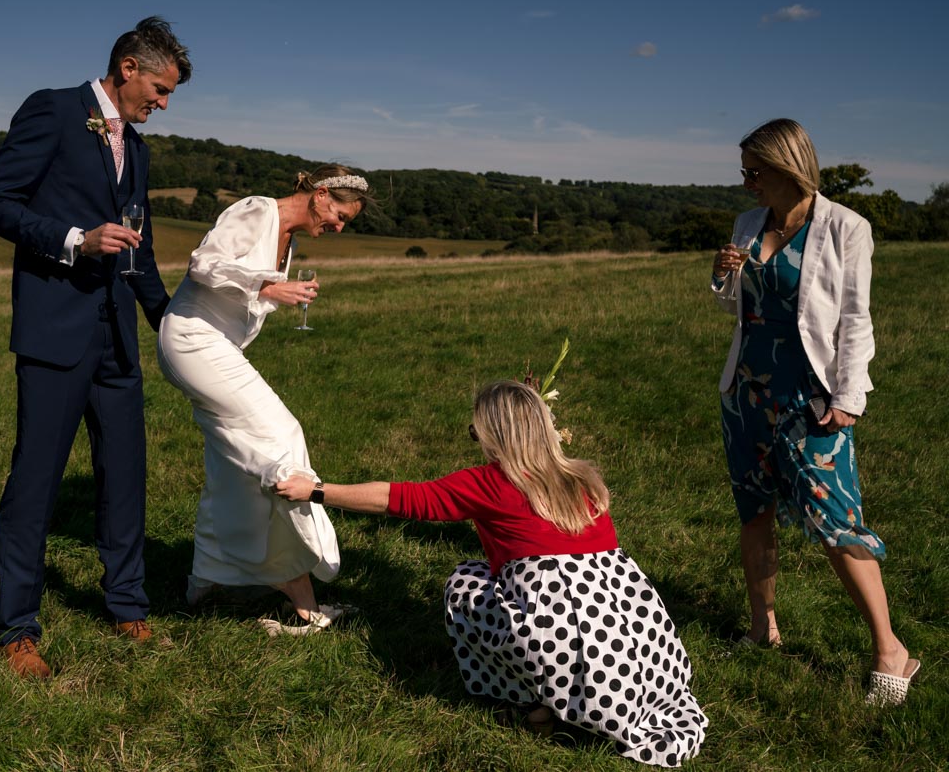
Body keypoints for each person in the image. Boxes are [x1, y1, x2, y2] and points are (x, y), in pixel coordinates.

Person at [274, 380, 708, 767]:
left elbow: (398, 498)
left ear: (495, 436)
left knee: (465, 582)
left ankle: (533, 702)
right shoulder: (585, 479)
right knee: (526, 595)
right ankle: (572, 699)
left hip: (560, 644)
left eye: (476, 430)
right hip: (634, 646)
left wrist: (316, 490)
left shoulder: (490, 483)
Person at [0, 17, 191, 678]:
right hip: (55, 328)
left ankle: (127, 606)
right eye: (160, 89)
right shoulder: (53, 110)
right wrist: (75, 240)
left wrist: (172, 322)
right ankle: (17, 627)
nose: (164, 103)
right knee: (35, 482)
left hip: (117, 335)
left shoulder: (139, 151)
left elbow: (140, 248)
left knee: (125, 476)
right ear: (128, 67)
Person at [711, 118, 918, 705]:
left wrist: (850, 398)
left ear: (788, 168)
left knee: (836, 522)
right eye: (744, 172)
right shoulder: (748, 224)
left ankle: (891, 650)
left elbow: (855, 321)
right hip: (747, 392)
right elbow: (738, 308)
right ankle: (763, 628)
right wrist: (723, 276)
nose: (747, 183)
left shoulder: (845, 228)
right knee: (754, 512)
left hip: (811, 397)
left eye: (755, 172)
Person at [156, 164, 370, 630]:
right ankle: (302, 577)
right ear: (321, 194)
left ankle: (210, 578)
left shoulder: (289, 241)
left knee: (233, 468)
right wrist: (268, 286)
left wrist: (274, 293)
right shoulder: (256, 211)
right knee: (282, 437)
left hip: (218, 346)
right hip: (193, 339)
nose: (337, 228)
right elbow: (202, 265)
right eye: (339, 216)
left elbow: (242, 298)